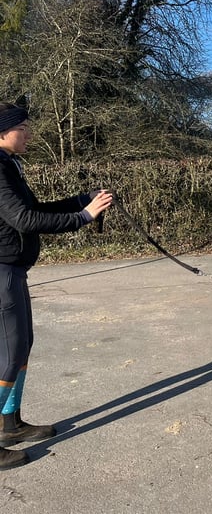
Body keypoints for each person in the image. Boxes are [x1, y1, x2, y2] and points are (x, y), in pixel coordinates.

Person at [0, 102, 112, 470]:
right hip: (1, 272)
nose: (29, 133)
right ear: (3, 132)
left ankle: (10, 424)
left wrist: (84, 202)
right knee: (9, 353)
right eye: (24, 128)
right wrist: (84, 217)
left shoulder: (8, 166)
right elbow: (24, 219)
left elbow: (37, 208)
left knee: (21, 347)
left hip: (14, 271)